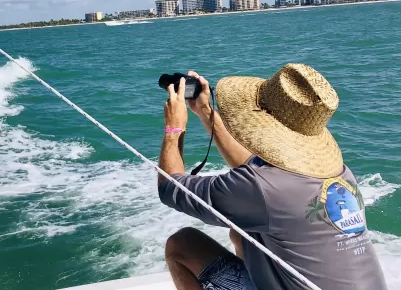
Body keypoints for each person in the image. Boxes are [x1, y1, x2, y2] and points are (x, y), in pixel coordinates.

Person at [158, 64, 388, 290]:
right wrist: (205, 111)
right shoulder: (340, 173)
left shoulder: (261, 188)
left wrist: (174, 128)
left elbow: (170, 188)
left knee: (182, 244)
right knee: (244, 235)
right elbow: (257, 171)